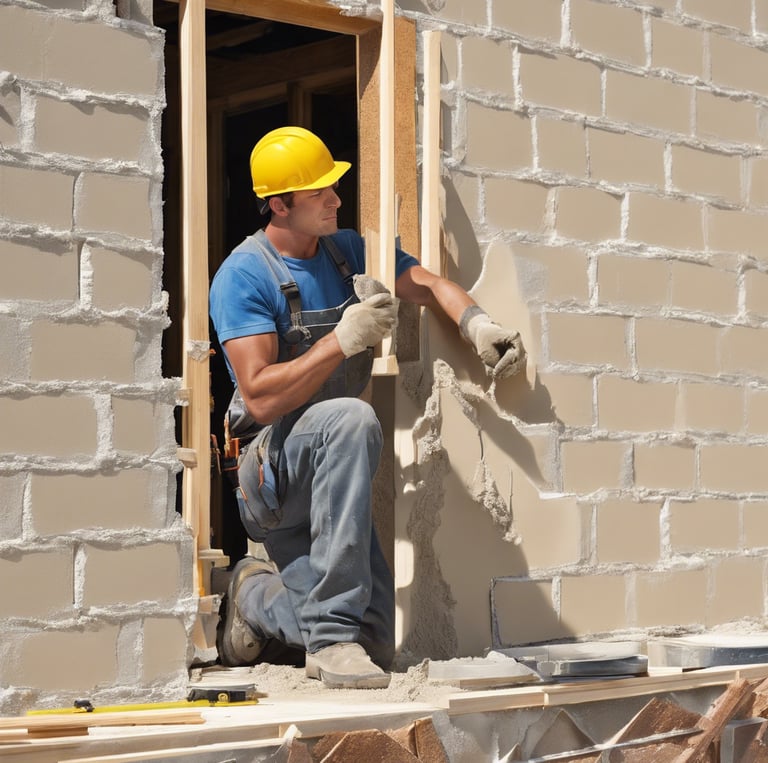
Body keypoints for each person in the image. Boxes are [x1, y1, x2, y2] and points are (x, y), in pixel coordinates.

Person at [209, 125, 526, 689]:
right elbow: (257, 396)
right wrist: (342, 340)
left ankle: (253, 595)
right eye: (319, 194)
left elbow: (425, 284)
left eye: (334, 188)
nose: (335, 199)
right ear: (279, 205)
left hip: (336, 468)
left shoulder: (345, 251)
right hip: (273, 473)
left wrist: (478, 325)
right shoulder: (243, 276)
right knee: (352, 417)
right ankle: (328, 641)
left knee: (376, 637)